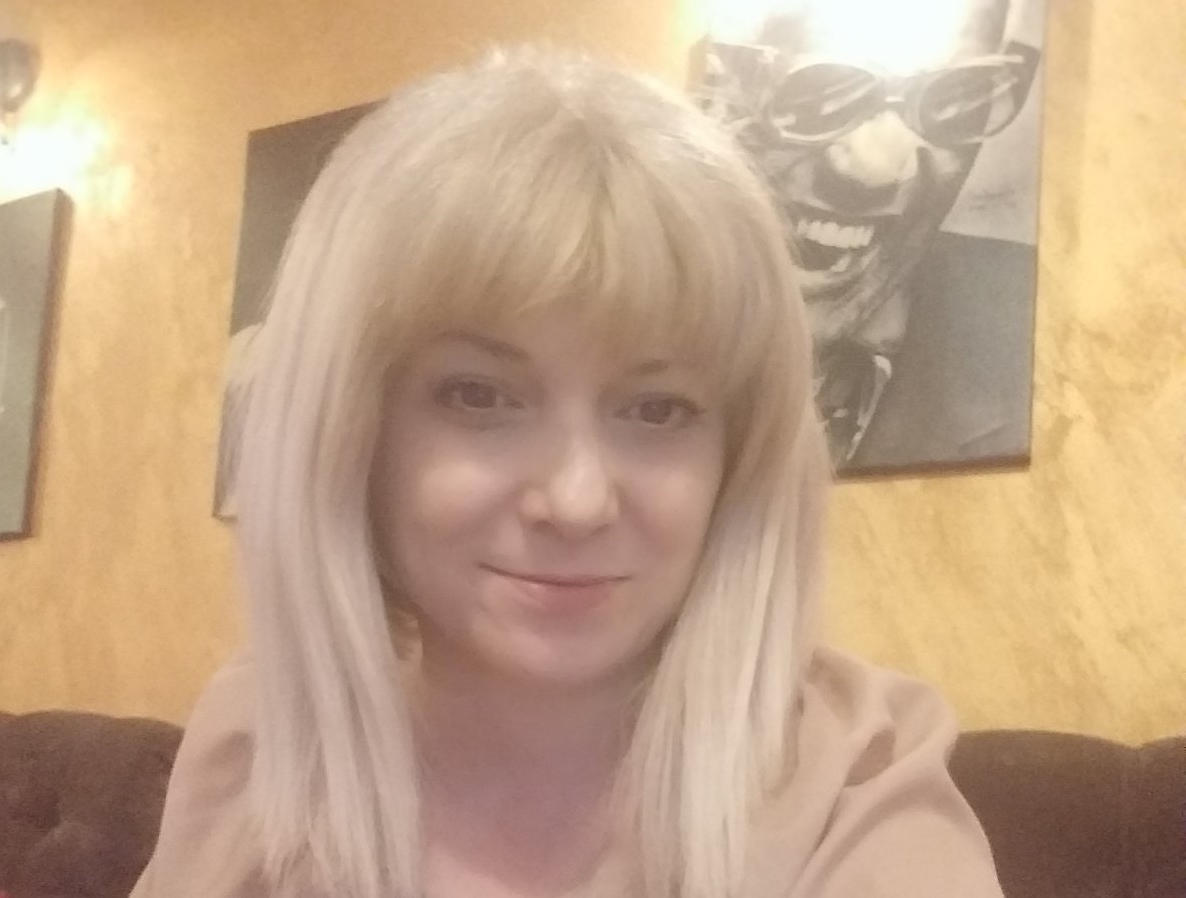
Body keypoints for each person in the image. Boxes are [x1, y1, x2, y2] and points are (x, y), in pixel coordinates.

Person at [132, 47, 1004, 898]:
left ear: (737, 456)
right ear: (353, 429)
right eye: (479, 395)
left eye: (657, 409)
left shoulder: (858, 781)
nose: (577, 502)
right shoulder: (255, 747)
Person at [698, 0, 1042, 470]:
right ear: (714, 84)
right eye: (820, 95)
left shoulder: (1043, 349)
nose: (875, 169)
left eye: (953, 101)